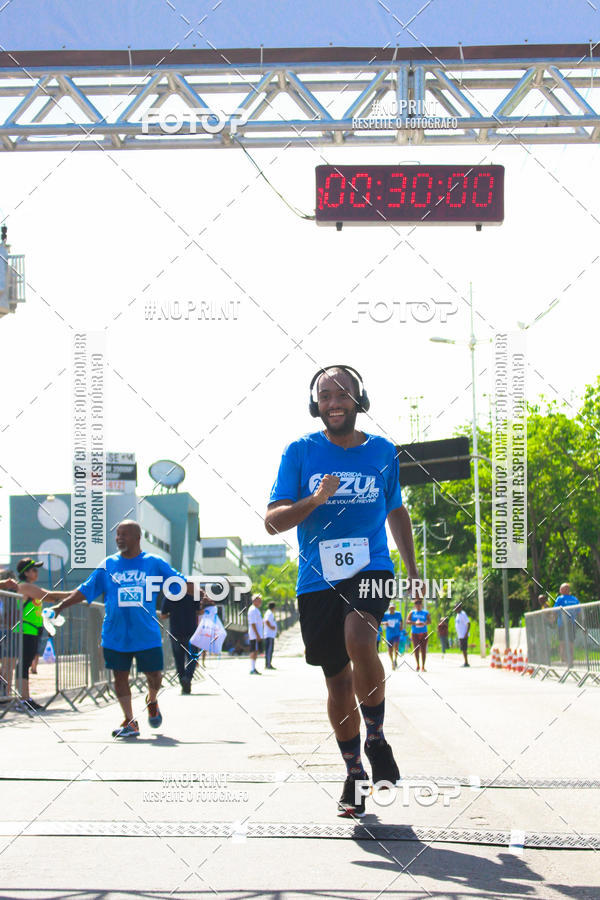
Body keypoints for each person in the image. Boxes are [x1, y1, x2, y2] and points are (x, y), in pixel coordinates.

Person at [265, 365, 421, 817]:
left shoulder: (383, 452)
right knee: (336, 681)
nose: (333, 403)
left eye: (342, 394)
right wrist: (314, 500)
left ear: (358, 399)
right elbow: (273, 521)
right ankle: (354, 773)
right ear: (316, 405)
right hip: (317, 581)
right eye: (325, 396)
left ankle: (376, 737)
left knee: (360, 637)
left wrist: (411, 570)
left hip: (371, 566)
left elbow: (396, 511)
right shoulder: (299, 452)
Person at [52, 520, 198, 737]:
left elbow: (180, 582)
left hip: (145, 633)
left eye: (124, 534)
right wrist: (61, 605)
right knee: (119, 677)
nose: (119, 538)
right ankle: (130, 721)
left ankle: (152, 699)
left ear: (138, 538)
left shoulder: (153, 563)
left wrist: (204, 596)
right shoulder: (107, 565)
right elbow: (85, 589)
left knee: (154, 676)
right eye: (117, 534)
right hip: (114, 633)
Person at [14, 558, 72, 711]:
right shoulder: (25, 587)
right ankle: (23, 699)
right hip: (25, 630)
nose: (36, 572)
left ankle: (25, 698)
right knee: (24, 664)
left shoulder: (29, 587)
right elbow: (50, 596)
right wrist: (74, 594)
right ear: (25, 573)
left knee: (25, 664)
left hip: (31, 630)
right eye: (33, 569)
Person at [160, 585, 205, 694]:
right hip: (191, 632)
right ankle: (188, 678)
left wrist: (172, 614)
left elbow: (162, 615)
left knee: (178, 660)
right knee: (192, 657)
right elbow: (200, 612)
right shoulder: (192, 597)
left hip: (175, 633)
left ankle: (183, 683)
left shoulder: (169, 598)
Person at [553, 582, 580, 667]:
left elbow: (555, 611)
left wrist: (553, 621)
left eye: (561, 589)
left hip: (562, 624)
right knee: (571, 642)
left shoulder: (560, 599)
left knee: (562, 642)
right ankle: (570, 659)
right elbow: (579, 612)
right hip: (572, 623)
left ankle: (564, 659)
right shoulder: (575, 599)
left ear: (563, 590)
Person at [407, 598, 431, 672]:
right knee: (416, 649)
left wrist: (424, 623)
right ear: (415, 605)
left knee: (423, 650)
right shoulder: (412, 612)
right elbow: (407, 621)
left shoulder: (425, 612)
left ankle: (423, 666)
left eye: (419, 604)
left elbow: (429, 621)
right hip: (415, 633)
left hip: (423, 633)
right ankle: (417, 665)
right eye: (416, 604)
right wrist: (415, 623)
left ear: (421, 605)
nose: (418, 605)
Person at [381, 602, 403, 669]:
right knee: (390, 649)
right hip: (389, 634)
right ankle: (392, 662)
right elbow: (381, 622)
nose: (392, 609)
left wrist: (401, 626)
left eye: (393, 608)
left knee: (396, 647)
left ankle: (395, 659)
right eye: (390, 608)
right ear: (389, 608)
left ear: (395, 608)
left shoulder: (398, 614)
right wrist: (385, 623)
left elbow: (401, 620)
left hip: (397, 633)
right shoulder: (386, 615)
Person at [247, 594, 263, 675]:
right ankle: (252, 668)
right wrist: (257, 635)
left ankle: (254, 668)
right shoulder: (252, 610)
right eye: (259, 600)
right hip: (254, 635)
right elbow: (253, 623)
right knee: (253, 651)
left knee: (255, 651)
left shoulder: (256, 610)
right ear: (254, 601)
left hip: (256, 634)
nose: (260, 602)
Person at [263, 601, 278, 670]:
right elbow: (266, 621)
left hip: (271, 635)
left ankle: (269, 663)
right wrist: (271, 627)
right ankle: (268, 664)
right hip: (269, 635)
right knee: (269, 650)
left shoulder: (270, 613)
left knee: (270, 650)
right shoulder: (269, 613)